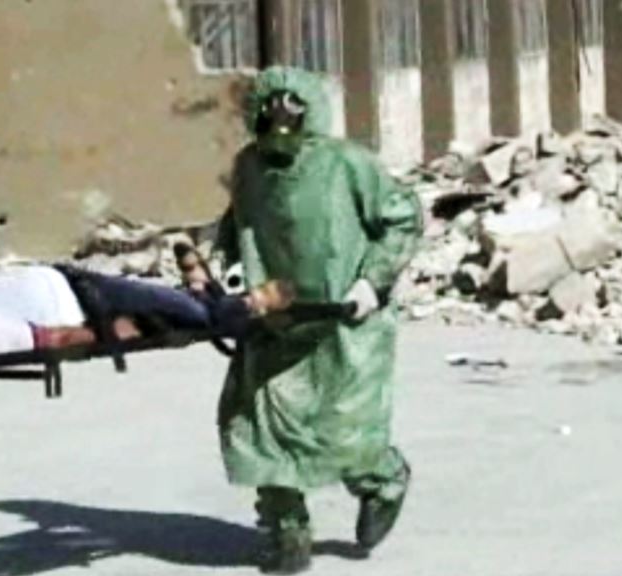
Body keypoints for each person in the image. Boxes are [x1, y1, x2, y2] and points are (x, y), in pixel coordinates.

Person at [215, 66, 424, 574]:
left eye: (291, 124)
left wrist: (370, 282)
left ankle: (383, 481)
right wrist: (234, 283)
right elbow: (235, 227)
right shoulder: (248, 168)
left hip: (344, 324)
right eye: (270, 126)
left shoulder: (348, 165)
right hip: (276, 321)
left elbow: (402, 218)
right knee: (260, 424)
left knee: (343, 433)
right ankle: (287, 532)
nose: (279, 138)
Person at [0, 258, 294, 360]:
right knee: (201, 315)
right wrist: (121, 334)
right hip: (85, 301)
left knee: (190, 302)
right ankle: (242, 305)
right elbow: (59, 337)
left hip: (70, 279)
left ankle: (216, 297)